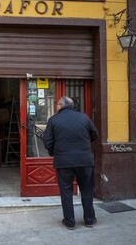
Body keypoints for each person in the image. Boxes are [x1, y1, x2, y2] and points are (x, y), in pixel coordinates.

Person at [43, 96, 98, 230]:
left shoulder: (54, 120)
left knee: (66, 192)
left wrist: (54, 152)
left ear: (60, 106)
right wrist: (84, 145)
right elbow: (94, 135)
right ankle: (89, 220)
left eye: (57, 105)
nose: (56, 107)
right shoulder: (84, 117)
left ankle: (69, 222)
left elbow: (47, 141)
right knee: (87, 190)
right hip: (84, 160)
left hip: (64, 162)